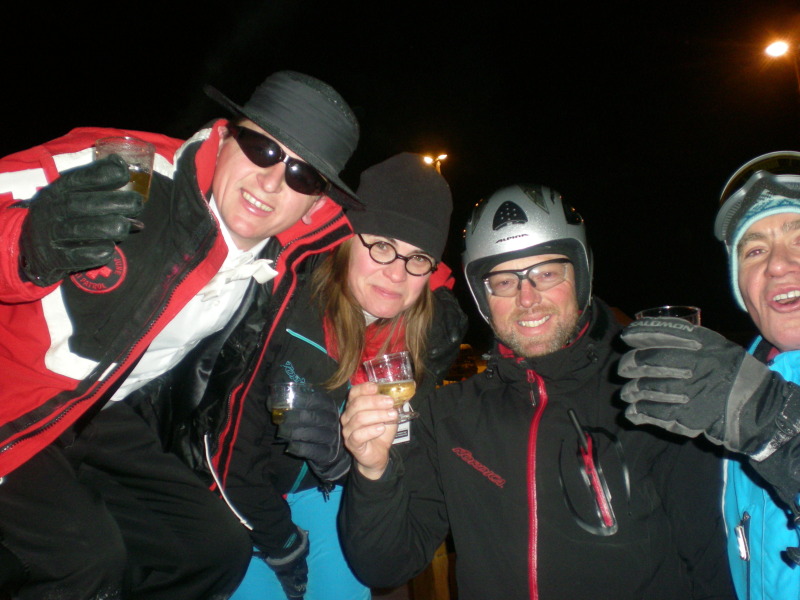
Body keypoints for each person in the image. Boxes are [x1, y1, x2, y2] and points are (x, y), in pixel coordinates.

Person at [0, 70, 361, 599]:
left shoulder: (282, 264)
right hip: (16, 397)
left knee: (214, 548)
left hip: (98, 412)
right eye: (262, 148)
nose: (271, 182)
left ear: (315, 202)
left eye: (302, 175)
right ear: (226, 135)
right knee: (85, 559)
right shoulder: (127, 167)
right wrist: (26, 246)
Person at [338, 184, 736, 599]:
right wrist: (373, 471)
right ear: (483, 297)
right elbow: (384, 565)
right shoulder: (451, 413)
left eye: (546, 273)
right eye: (503, 281)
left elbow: (710, 560)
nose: (527, 298)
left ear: (580, 276)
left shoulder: (652, 392)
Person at [223, 152, 465, 600]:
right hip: (236, 496)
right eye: (383, 245)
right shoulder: (284, 298)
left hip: (328, 493)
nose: (397, 273)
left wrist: (350, 464)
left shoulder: (429, 338)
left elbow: (403, 457)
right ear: (349, 239)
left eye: (418, 258)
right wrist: (281, 542)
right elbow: (228, 444)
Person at [617, 151, 800, 600]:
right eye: (754, 250)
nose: (777, 265)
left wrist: (778, 425)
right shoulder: (728, 399)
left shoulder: (749, 408)